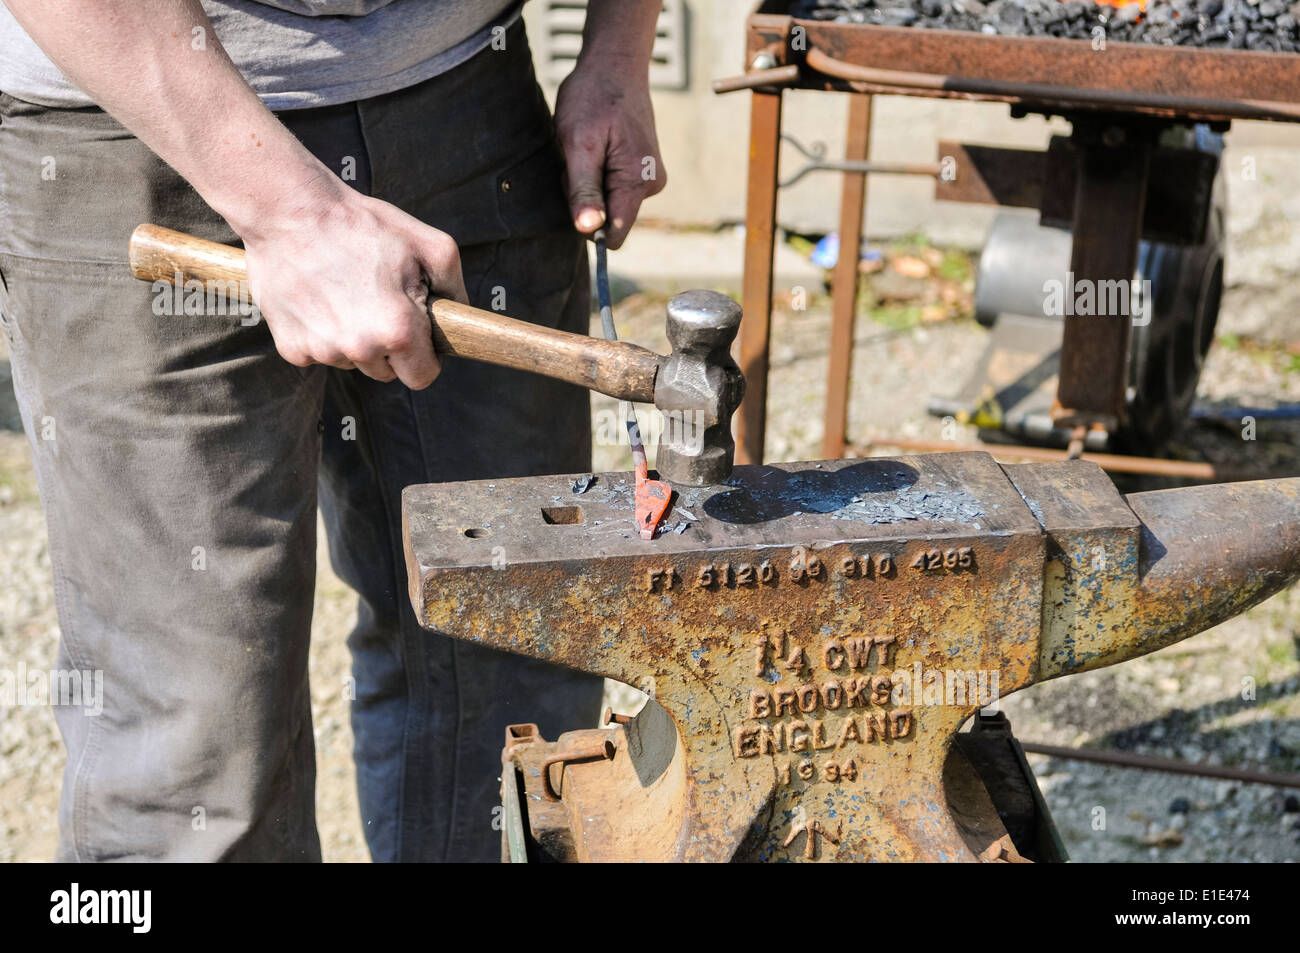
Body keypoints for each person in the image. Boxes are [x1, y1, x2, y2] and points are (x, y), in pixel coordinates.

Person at [0, 0, 666, 862]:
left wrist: (619, 46)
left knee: (512, 682)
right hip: (132, 105)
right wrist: (292, 212)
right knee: (197, 759)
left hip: (468, 94)